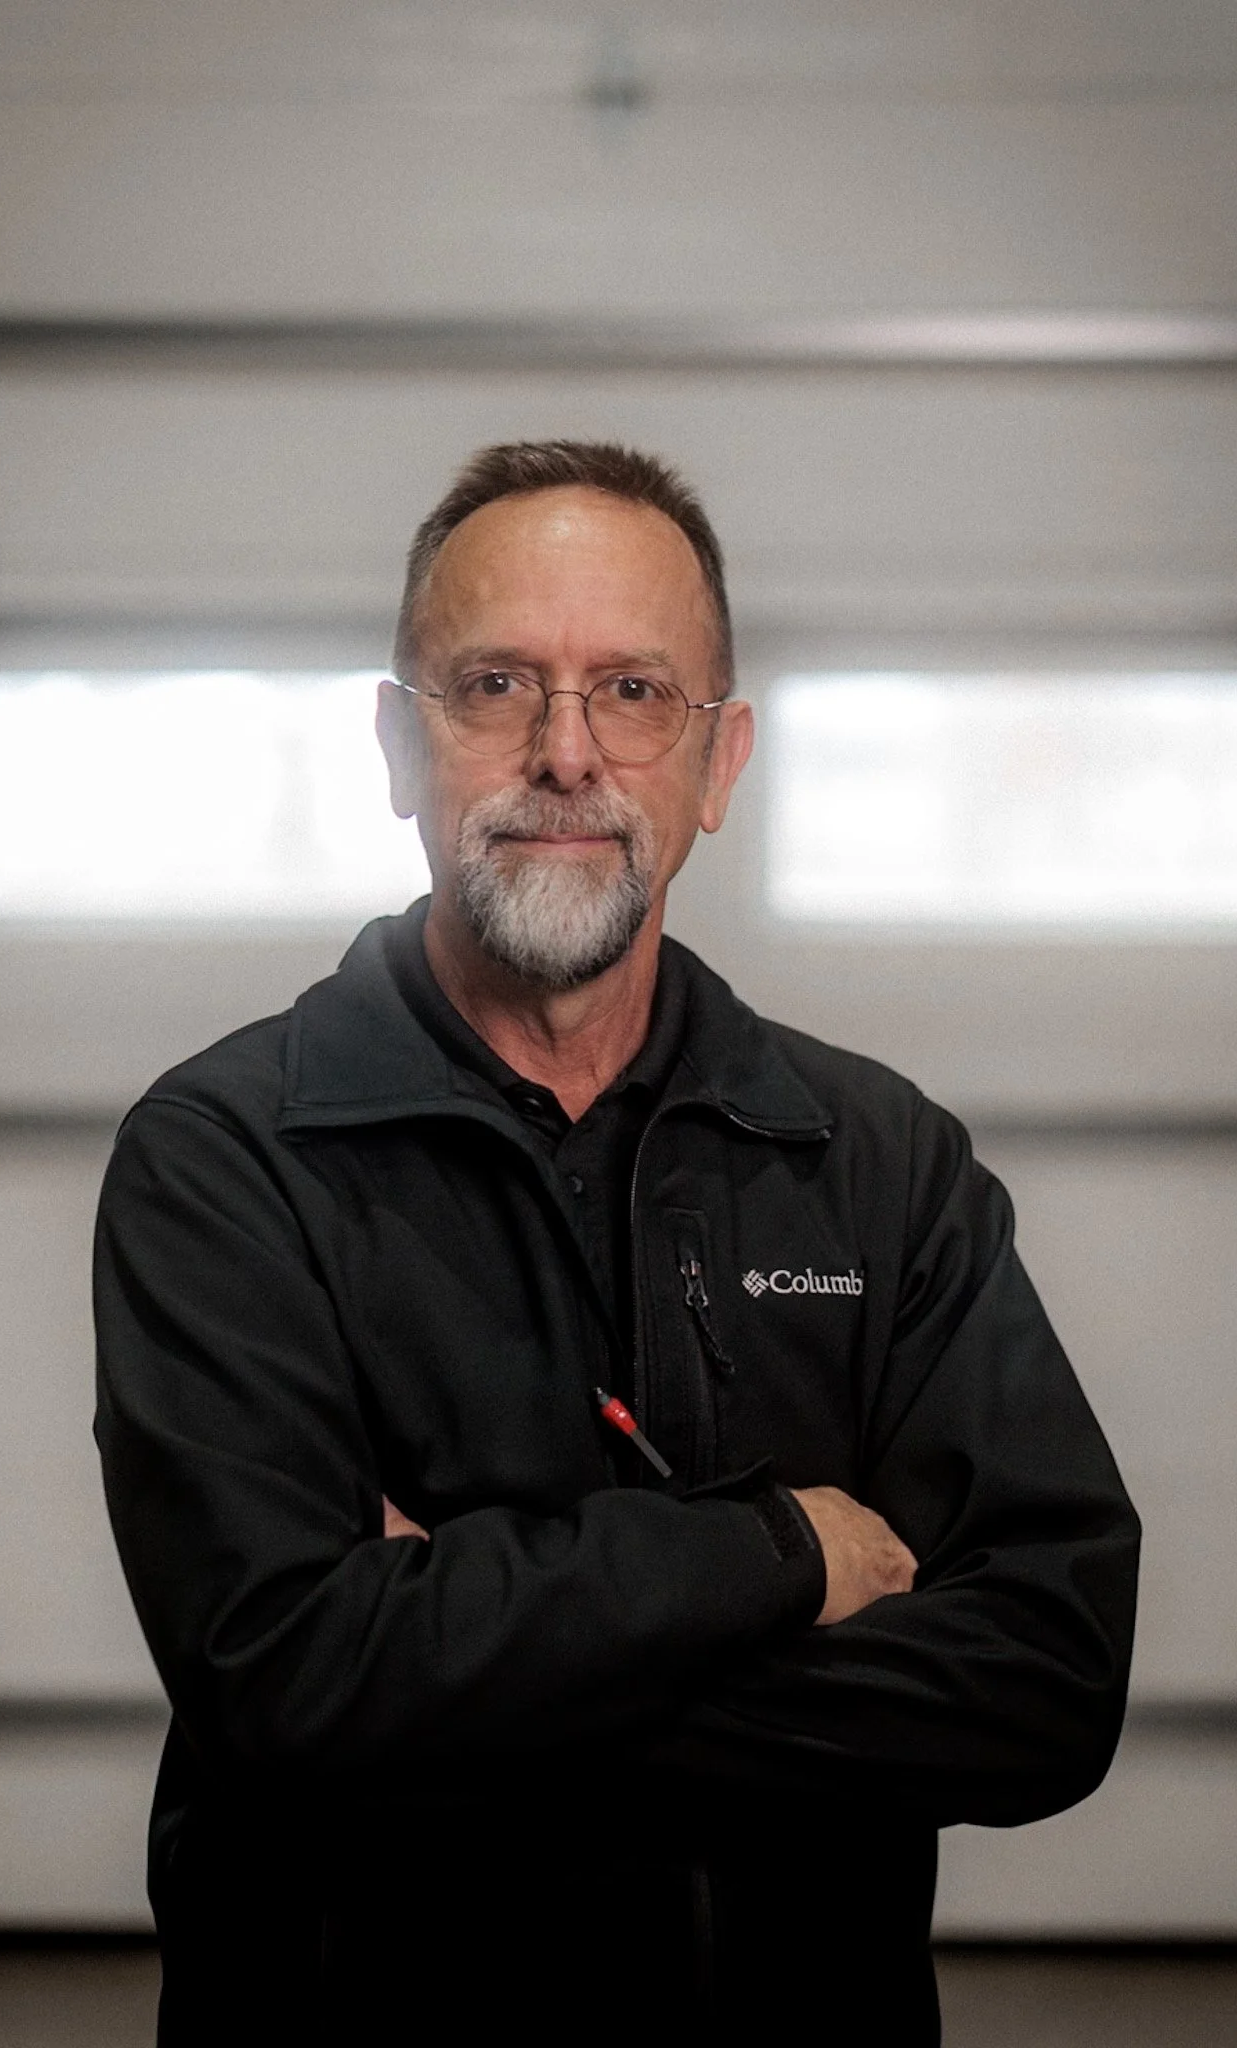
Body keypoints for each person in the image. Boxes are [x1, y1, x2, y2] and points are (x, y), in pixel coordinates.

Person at [94, 439, 1139, 2044]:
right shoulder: (229, 1160)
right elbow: (284, 1682)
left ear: (718, 766)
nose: (566, 752)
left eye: (635, 692)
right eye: (497, 682)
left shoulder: (873, 1162)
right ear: (396, 742)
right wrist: (785, 1556)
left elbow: (1044, 1683)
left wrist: (450, 1653)